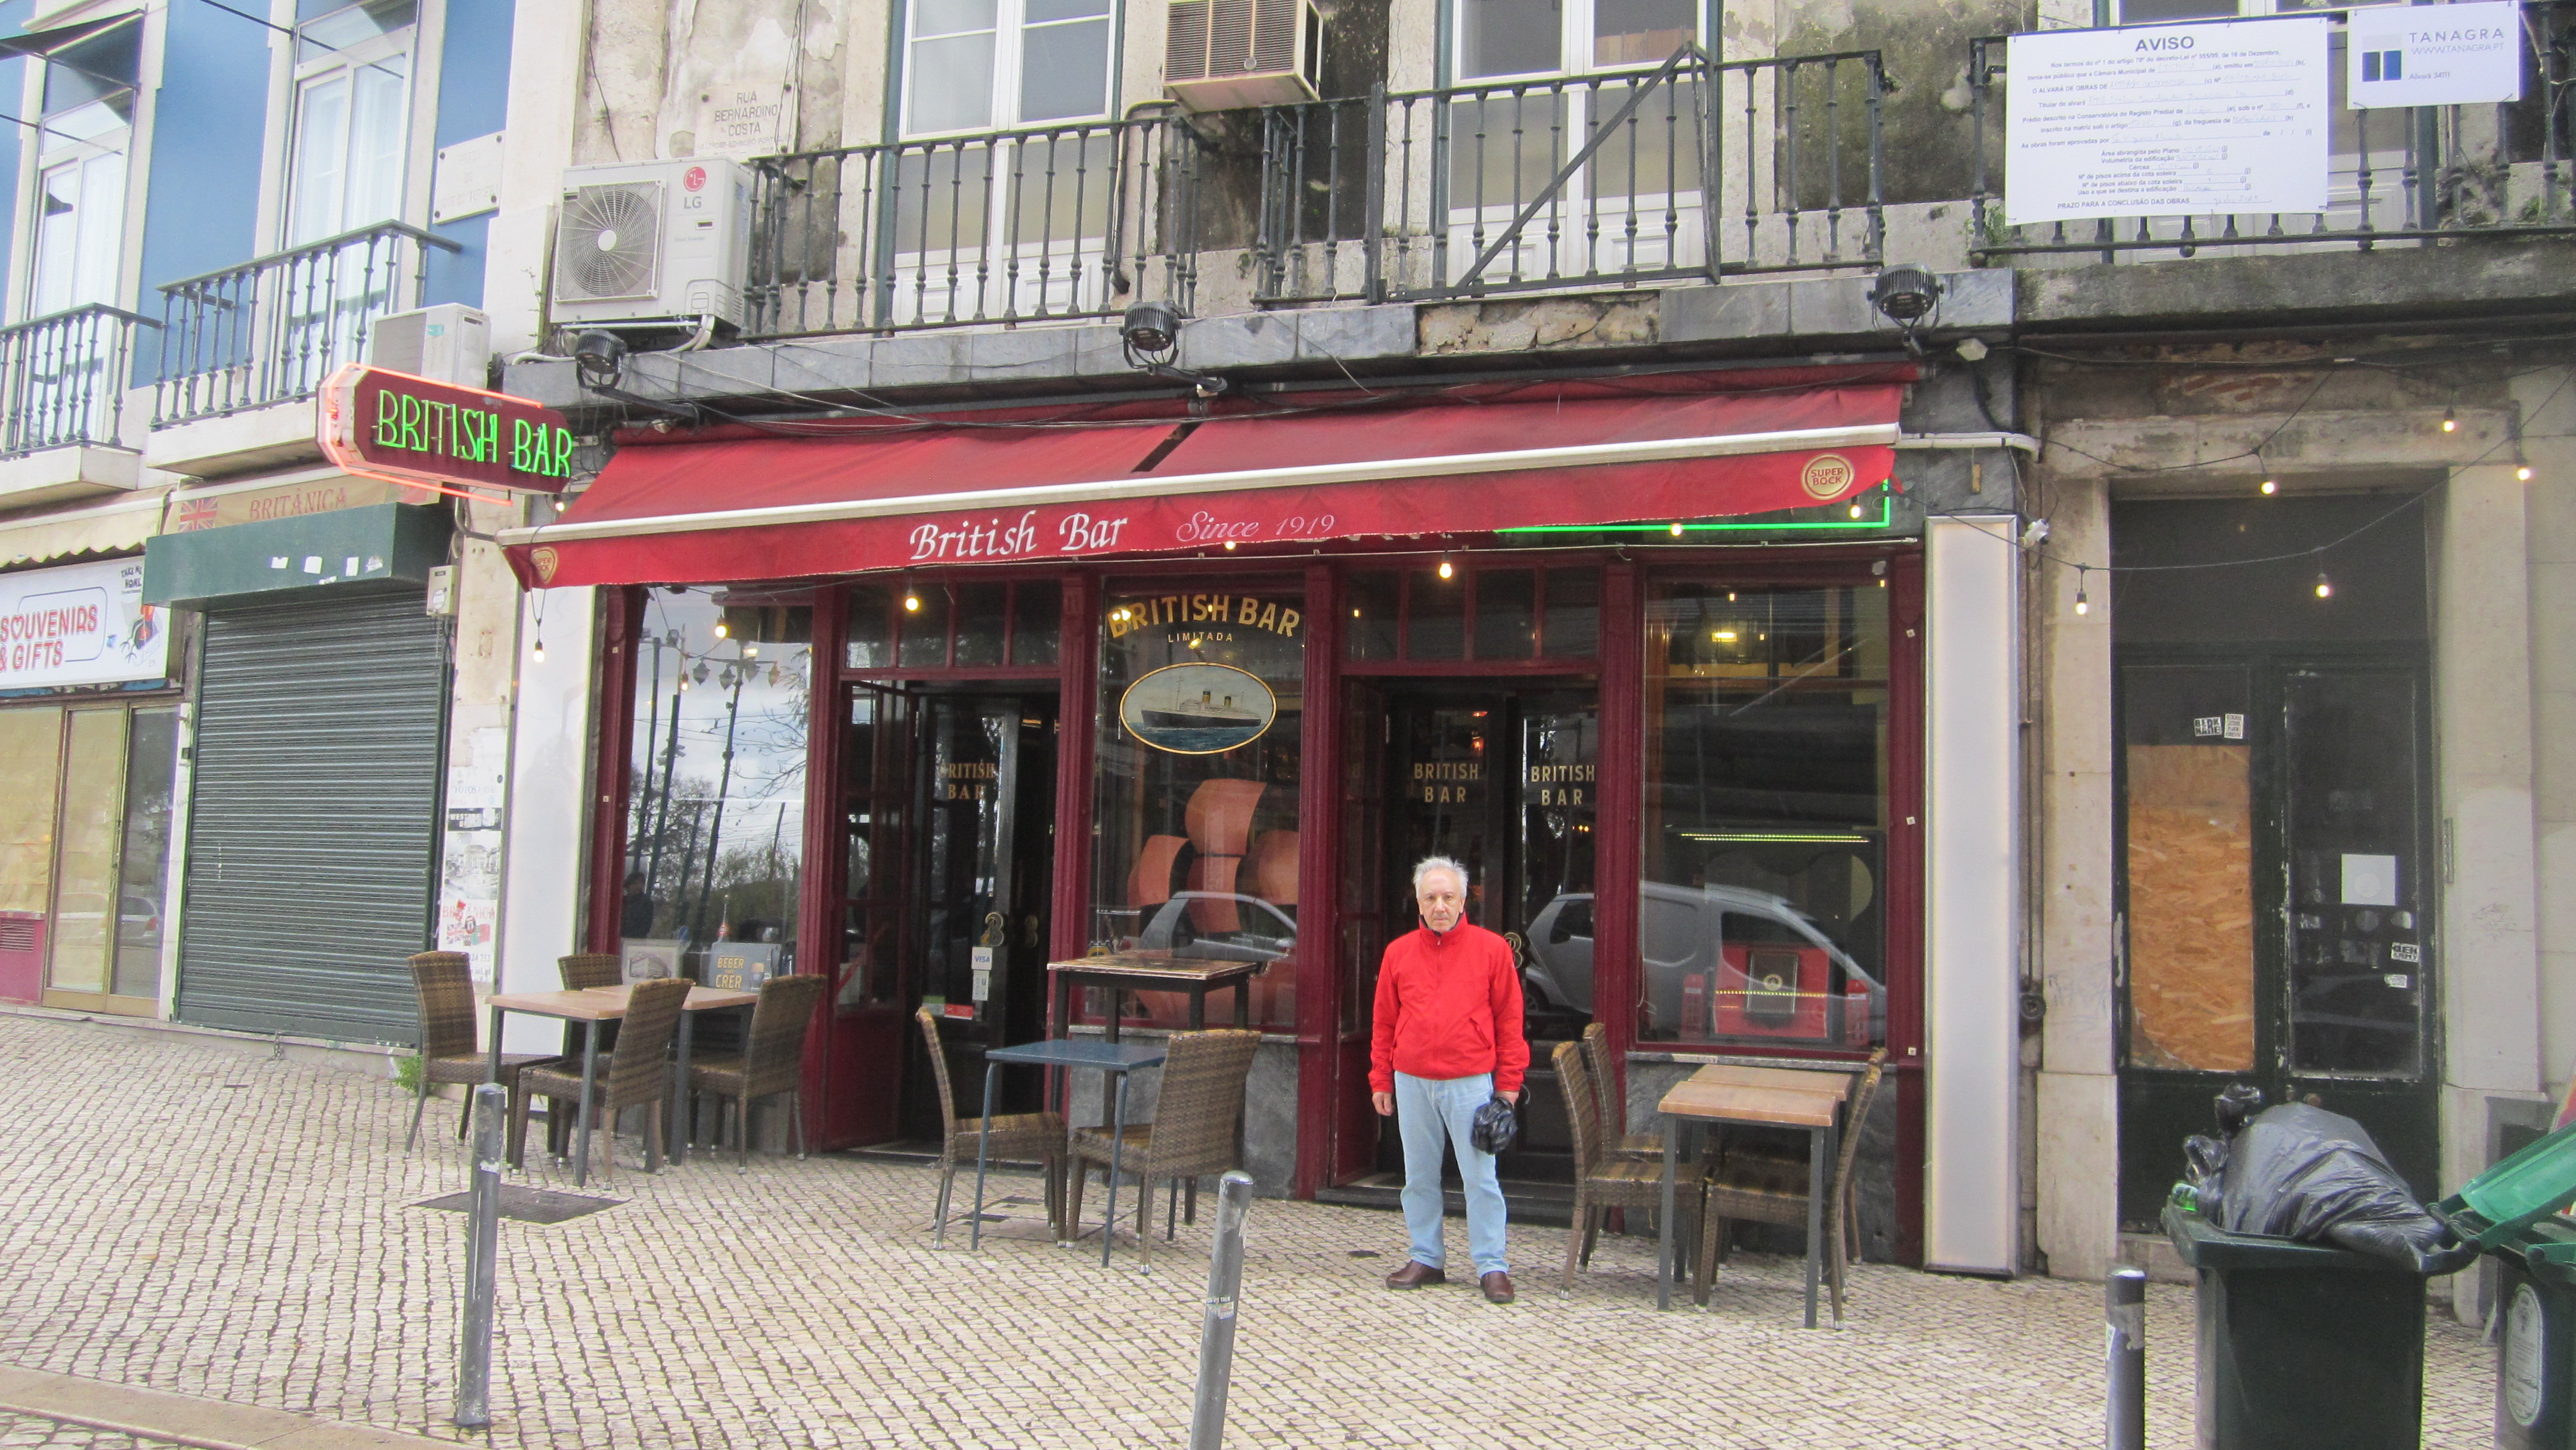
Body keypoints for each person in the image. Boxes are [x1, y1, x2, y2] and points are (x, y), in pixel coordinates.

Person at [1369, 856, 1529, 1305]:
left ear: (1463, 902)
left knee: (1481, 1179)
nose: (1439, 906)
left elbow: (1510, 1021)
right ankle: (1426, 1257)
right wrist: (1381, 1078)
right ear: (1419, 903)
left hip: (1470, 1080)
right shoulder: (1398, 953)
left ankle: (1492, 1265)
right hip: (1412, 1079)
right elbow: (1384, 1021)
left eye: (1448, 897)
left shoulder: (1492, 950)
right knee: (1418, 1176)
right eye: (1431, 898)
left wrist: (1508, 1087)